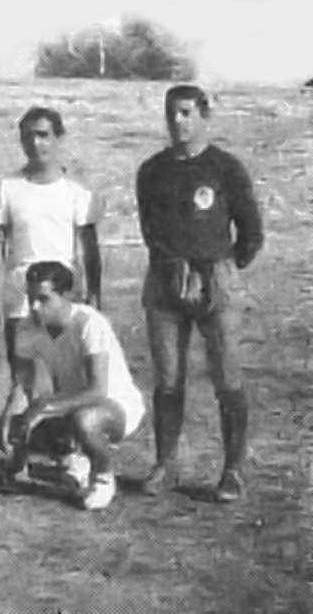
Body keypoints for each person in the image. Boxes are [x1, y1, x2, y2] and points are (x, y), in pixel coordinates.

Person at [135, 84, 263, 502]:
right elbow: (149, 228)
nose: (178, 121)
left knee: (227, 377)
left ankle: (233, 470)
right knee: (168, 379)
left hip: (216, 282)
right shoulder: (152, 170)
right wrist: (174, 265)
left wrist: (221, 267)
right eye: (172, 113)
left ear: (204, 116)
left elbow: (251, 231)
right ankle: (165, 463)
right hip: (165, 280)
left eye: (187, 112)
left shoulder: (225, 168)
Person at [0, 261, 145, 510]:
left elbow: (98, 390)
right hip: (70, 403)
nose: (34, 307)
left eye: (43, 299)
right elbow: (23, 385)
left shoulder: (89, 323)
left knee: (85, 420)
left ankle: (103, 476)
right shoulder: (26, 327)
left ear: (66, 295)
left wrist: (43, 408)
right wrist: (12, 417)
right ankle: (74, 456)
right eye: (31, 298)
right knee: (20, 420)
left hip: (114, 405)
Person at [0, 106, 102, 370]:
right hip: (21, 297)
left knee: (69, 373)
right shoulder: (7, 187)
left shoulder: (77, 191)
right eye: (28, 136)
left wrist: (93, 293)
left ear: (58, 138)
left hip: (64, 293)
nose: (35, 143)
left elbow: (89, 247)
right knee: (23, 376)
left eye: (43, 135)